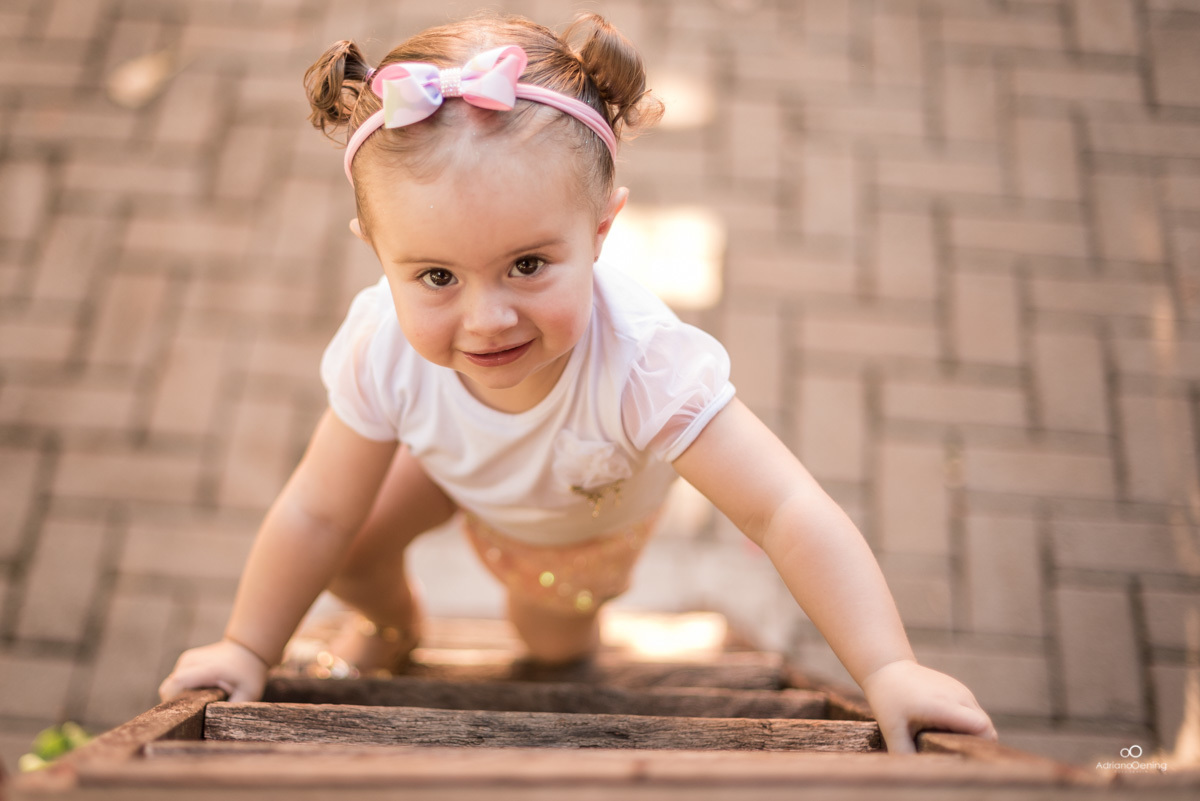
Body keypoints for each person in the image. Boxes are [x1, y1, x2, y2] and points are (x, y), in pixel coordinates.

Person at [158, 11, 997, 754]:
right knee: (347, 547)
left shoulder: (643, 366)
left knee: (547, 643)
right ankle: (393, 624)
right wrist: (248, 647)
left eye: (527, 264)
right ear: (377, 252)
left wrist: (887, 667)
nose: (487, 320)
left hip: (568, 530)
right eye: (437, 276)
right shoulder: (384, 344)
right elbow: (315, 510)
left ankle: (569, 656)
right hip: (451, 461)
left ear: (601, 229)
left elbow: (783, 507)